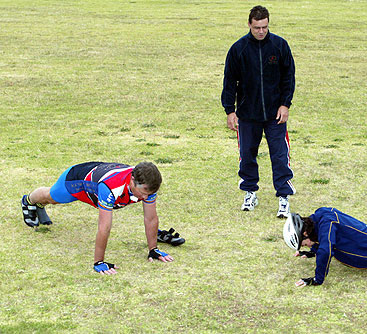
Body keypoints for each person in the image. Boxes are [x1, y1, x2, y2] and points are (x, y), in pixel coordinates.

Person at [21, 161, 182, 275]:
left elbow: (151, 218)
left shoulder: (147, 184)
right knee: (52, 197)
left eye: (149, 193)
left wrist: (153, 250)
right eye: (144, 192)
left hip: (98, 178)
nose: (146, 196)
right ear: (133, 180)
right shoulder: (111, 188)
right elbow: (104, 228)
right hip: (77, 180)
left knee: (51, 200)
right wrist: (99, 262)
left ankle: (40, 207)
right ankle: (29, 201)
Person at [221, 5, 296, 218]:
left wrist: (285, 105)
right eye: (257, 28)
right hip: (247, 115)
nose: (261, 31)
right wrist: (230, 110)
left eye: (264, 27)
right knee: (247, 155)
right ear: (249, 25)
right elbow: (229, 81)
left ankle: (283, 198)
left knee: (280, 156)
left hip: (275, 115)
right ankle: (250, 193)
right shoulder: (238, 49)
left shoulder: (280, 46)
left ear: (268, 24)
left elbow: (288, 77)